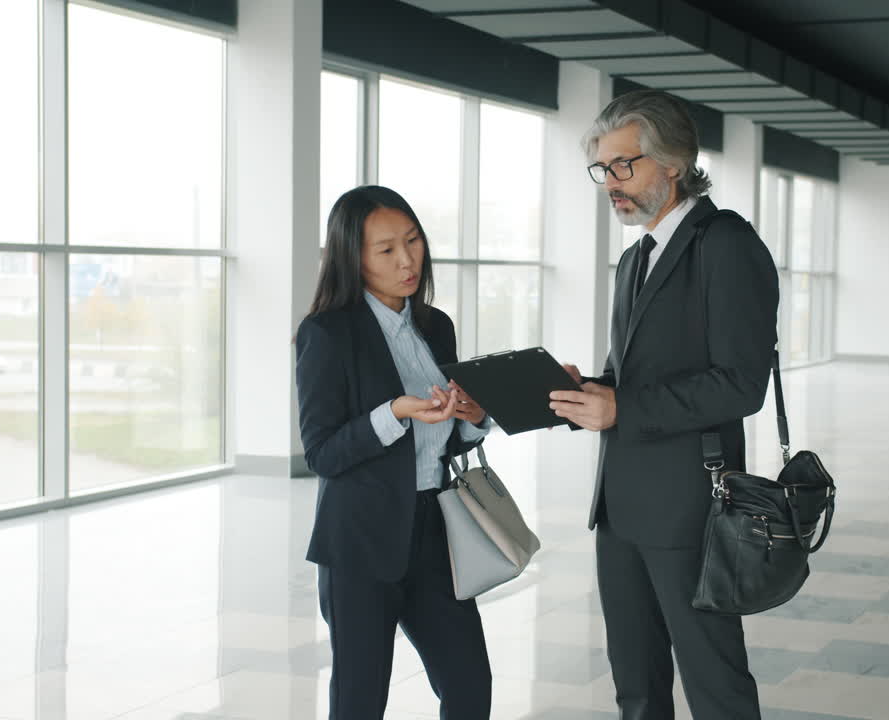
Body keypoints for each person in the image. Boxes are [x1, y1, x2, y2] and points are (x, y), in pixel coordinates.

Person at [550, 90, 780, 718]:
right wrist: (586, 390)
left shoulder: (725, 244)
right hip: (620, 507)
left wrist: (623, 407)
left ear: (674, 162)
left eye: (624, 165)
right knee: (636, 682)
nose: (610, 183)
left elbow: (740, 383)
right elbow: (634, 375)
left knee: (714, 682)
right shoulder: (634, 258)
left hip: (689, 506)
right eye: (603, 168)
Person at [294, 185, 493, 719]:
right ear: (352, 259)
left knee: (471, 686)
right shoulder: (327, 334)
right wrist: (394, 413)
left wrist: (473, 418)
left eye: (412, 241)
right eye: (385, 250)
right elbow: (322, 453)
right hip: (360, 543)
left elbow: (450, 437)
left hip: (434, 530)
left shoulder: (436, 325)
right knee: (360, 701)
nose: (407, 260)